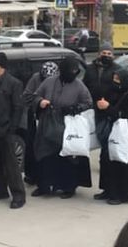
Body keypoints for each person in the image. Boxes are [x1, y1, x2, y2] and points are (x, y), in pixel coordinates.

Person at [32, 57, 93, 198]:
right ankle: (44, 186)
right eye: (70, 71)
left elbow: (88, 102)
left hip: (66, 125)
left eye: (75, 71)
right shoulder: (49, 82)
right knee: (44, 155)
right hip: (47, 122)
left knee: (66, 156)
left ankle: (68, 187)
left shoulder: (79, 85)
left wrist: (75, 108)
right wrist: (40, 102)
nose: (72, 73)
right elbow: (34, 96)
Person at [0, 52, 26, 209]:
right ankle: (0, 189)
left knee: (11, 164)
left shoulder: (13, 83)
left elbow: (18, 108)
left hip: (6, 128)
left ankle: (18, 195)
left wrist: (11, 129)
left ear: (1, 67)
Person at [94, 71, 128, 205]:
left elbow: (124, 115)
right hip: (113, 132)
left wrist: (108, 107)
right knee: (107, 160)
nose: (115, 82)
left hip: (126, 134)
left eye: (118, 79)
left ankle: (123, 194)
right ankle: (108, 189)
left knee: (121, 162)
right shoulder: (116, 92)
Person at [22, 62, 58, 185]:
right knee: (32, 146)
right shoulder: (35, 78)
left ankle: (50, 176)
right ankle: (32, 175)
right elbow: (27, 95)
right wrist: (39, 102)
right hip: (35, 116)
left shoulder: (58, 80)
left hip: (52, 118)